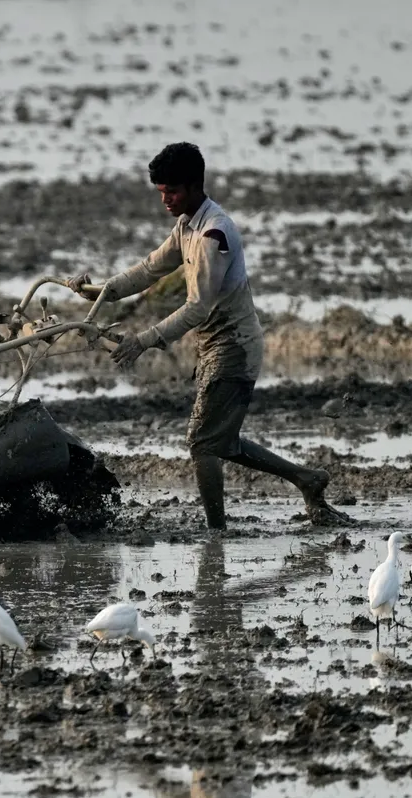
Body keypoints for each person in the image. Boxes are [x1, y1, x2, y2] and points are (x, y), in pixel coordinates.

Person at [67, 142, 351, 530]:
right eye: (162, 193)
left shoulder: (213, 234)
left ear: (195, 185)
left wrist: (144, 340)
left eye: (173, 192)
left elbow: (198, 307)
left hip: (233, 346)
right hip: (214, 345)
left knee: (203, 443)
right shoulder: (187, 224)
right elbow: (151, 268)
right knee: (222, 441)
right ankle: (307, 478)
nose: (166, 200)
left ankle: (216, 532)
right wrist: (101, 291)